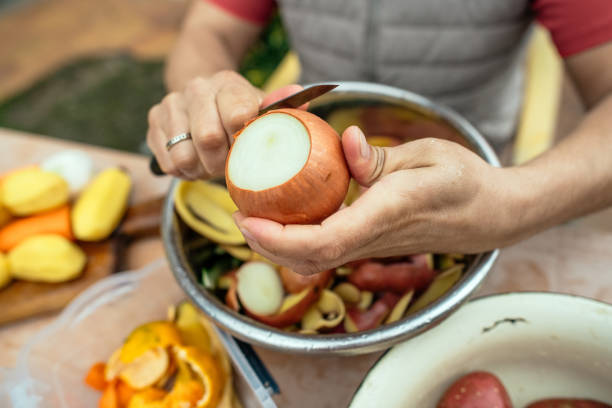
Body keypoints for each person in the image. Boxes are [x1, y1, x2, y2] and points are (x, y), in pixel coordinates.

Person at [147, 0, 612, 275]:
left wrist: (511, 205)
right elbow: (209, 29)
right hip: (309, 155)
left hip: (468, 177)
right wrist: (204, 98)